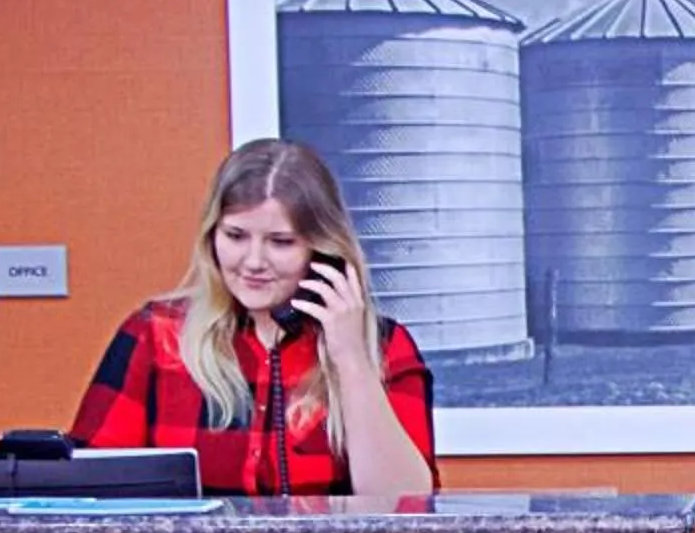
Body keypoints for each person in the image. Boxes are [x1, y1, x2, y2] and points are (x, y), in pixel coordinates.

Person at [72, 139, 437, 497]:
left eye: (280, 242)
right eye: (235, 236)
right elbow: (87, 491)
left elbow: (406, 504)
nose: (254, 262)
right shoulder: (155, 334)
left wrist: (352, 361)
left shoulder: (382, 345)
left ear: (322, 251)